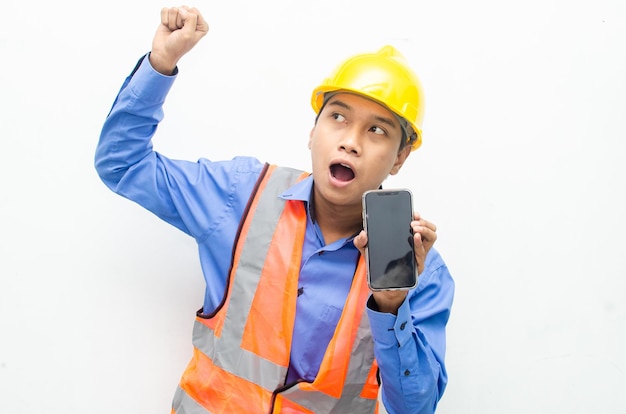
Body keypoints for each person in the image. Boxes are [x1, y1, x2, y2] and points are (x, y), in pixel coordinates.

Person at [95, 5, 455, 414]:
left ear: (399, 158)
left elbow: (416, 408)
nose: (351, 142)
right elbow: (121, 164)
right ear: (312, 131)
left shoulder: (423, 275)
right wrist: (160, 64)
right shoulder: (240, 195)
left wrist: (392, 306)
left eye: (377, 130)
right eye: (337, 117)